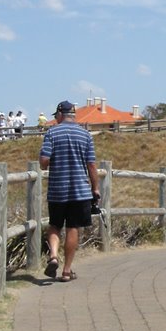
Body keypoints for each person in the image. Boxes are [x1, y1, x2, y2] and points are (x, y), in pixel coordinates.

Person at [39, 100, 99, 283]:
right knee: (73, 228)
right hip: (80, 191)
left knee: (55, 225)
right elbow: (91, 165)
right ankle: (66, 271)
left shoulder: (51, 133)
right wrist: (95, 188)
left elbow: (43, 162)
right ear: (74, 115)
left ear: (60, 114)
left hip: (58, 189)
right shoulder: (85, 135)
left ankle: (54, 256)